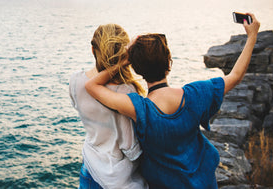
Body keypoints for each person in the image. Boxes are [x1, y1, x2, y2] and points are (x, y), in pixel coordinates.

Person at [85, 14, 260, 188]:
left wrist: (124, 61)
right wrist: (252, 36)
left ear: (137, 69)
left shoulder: (140, 109)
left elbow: (92, 86)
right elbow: (235, 76)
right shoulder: (196, 95)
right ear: (169, 63)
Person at [69, 24, 148, 188]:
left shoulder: (76, 80)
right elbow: (130, 147)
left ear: (93, 50)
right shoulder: (125, 91)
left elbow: (78, 105)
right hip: (119, 179)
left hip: (89, 169)